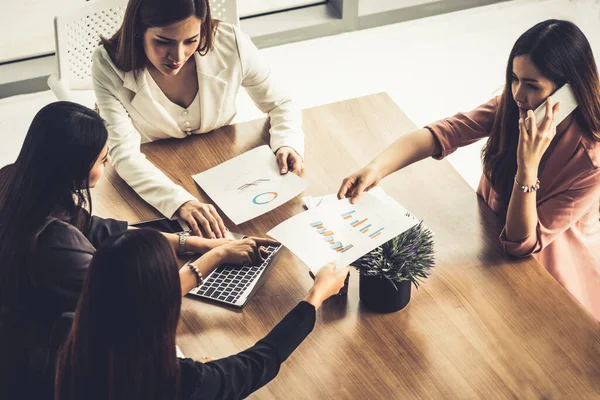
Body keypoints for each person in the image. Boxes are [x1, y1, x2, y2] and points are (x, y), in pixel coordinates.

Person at [0, 102, 277, 398]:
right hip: (41, 372)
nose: (107, 165)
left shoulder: (14, 180)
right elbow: (137, 300)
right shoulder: (54, 246)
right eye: (103, 160)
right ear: (74, 168)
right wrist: (214, 258)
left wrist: (195, 242)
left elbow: (97, 228)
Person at [338, 19, 600, 321]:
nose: (517, 93)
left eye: (531, 85)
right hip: (489, 246)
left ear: (568, 92)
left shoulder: (590, 162)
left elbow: (521, 243)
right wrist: (376, 168)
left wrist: (527, 167)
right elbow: (445, 132)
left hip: (546, 280)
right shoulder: (514, 108)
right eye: (514, 79)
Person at [92, 0, 304, 239]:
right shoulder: (107, 63)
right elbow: (124, 153)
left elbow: (281, 102)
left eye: (191, 40)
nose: (178, 55)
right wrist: (179, 202)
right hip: (154, 175)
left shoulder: (230, 42)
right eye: (164, 42)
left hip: (224, 167)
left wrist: (287, 142)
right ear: (139, 30)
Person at [53, 228, 348, 400]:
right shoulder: (180, 383)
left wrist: (215, 254)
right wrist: (316, 295)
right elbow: (260, 361)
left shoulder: (67, 334)